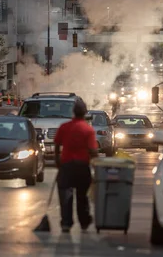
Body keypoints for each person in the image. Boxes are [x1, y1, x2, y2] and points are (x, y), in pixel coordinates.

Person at [53, 98, 98, 233]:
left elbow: (56, 145)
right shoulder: (88, 130)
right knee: (82, 196)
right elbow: (93, 150)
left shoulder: (64, 127)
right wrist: (96, 165)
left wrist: (57, 160)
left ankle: (66, 223)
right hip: (82, 167)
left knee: (65, 195)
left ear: (73, 112)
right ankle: (84, 221)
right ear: (84, 113)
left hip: (66, 166)